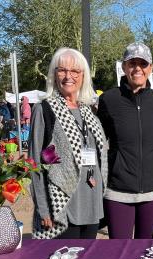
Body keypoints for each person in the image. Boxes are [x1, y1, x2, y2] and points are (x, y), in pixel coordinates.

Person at [29, 47, 107, 239]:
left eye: (74, 71)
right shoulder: (44, 110)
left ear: (83, 75)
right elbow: (33, 164)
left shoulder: (88, 111)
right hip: (61, 207)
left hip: (90, 202)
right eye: (62, 70)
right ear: (54, 74)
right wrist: (43, 208)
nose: (68, 76)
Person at [97, 42, 153, 239]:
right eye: (132, 63)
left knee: (145, 251)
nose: (137, 68)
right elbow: (99, 141)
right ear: (124, 67)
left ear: (150, 68)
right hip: (118, 191)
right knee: (119, 252)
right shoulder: (109, 99)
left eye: (143, 64)